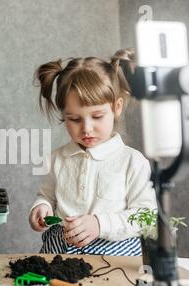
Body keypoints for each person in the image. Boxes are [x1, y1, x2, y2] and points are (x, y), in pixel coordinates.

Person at [28, 49, 157, 255]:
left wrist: (100, 224)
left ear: (117, 107)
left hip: (115, 256)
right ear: (64, 115)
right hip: (60, 251)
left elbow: (146, 217)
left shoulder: (132, 162)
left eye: (97, 116)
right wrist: (41, 207)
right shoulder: (57, 159)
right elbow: (47, 196)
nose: (86, 128)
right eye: (75, 119)